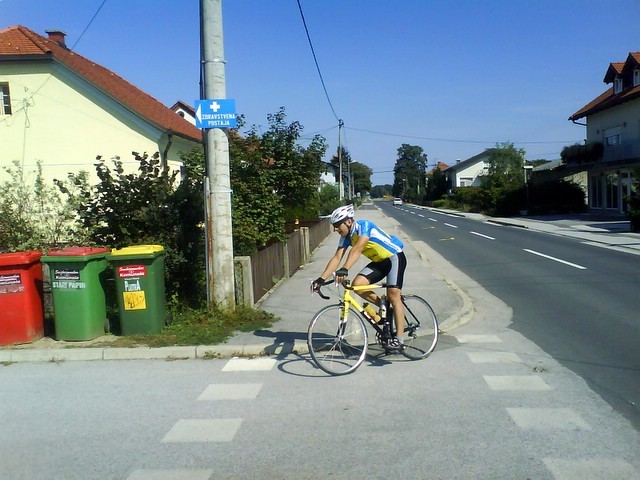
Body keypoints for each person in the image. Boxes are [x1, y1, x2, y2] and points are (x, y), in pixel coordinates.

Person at [311, 204, 407, 349]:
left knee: (394, 295)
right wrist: (321, 279)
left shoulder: (364, 226)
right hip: (380, 261)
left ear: (348, 222)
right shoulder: (346, 237)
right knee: (357, 285)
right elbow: (336, 258)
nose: (335, 229)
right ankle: (383, 305)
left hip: (394, 257)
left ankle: (399, 339)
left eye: (337, 225)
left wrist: (345, 269)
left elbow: (358, 248)